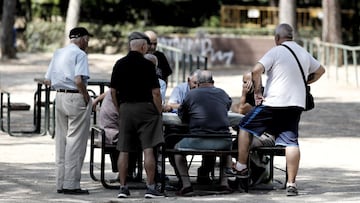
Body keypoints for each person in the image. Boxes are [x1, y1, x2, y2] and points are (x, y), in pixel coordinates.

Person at [233, 23, 325, 196]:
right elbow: (321, 71)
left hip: (274, 103)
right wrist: (305, 82)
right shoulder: (303, 52)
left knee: (244, 126)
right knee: (291, 142)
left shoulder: (276, 51)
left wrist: (258, 92)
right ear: (292, 36)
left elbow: (256, 70)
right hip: (296, 103)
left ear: (277, 38)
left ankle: (242, 166)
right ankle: (291, 184)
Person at [110, 31, 164, 199]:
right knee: (148, 149)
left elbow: (112, 91)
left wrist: (120, 108)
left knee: (124, 149)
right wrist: (159, 110)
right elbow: (155, 92)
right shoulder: (148, 65)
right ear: (143, 47)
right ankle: (150, 187)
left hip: (126, 108)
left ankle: (123, 187)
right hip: (146, 109)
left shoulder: (119, 64)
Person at [44, 27, 93, 195]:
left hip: (59, 97)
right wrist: (86, 95)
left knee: (61, 141)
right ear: (81, 39)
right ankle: (71, 184)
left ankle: (60, 182)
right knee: (75, 142)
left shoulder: (58, 53)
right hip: (75, 96)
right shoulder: (80, 55)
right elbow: (79, 79)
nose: (87, 43)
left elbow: (47, 80)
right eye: (87, 39)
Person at [174, 70, 233, 195]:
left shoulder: (191, 94)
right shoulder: (223, 93)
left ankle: (186, 185)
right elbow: (227, 108)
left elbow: (182, 115)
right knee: (227, 152)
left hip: (198, 139)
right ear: (213, 82)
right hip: (223, 140)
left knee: (177, 151)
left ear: (199, 83)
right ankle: (224, 184)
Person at [229, 72, 276, 186]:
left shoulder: (264, 95)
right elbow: (234, 108)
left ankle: (257, 170)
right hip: (252, 135)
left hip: (266, 136)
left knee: (239, 145)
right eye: (244, 82)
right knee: (232, 146)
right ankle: (253, 171)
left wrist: (243, 94)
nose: (247, 85)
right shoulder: (248, 97)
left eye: (251, 82)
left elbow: (241, 110)